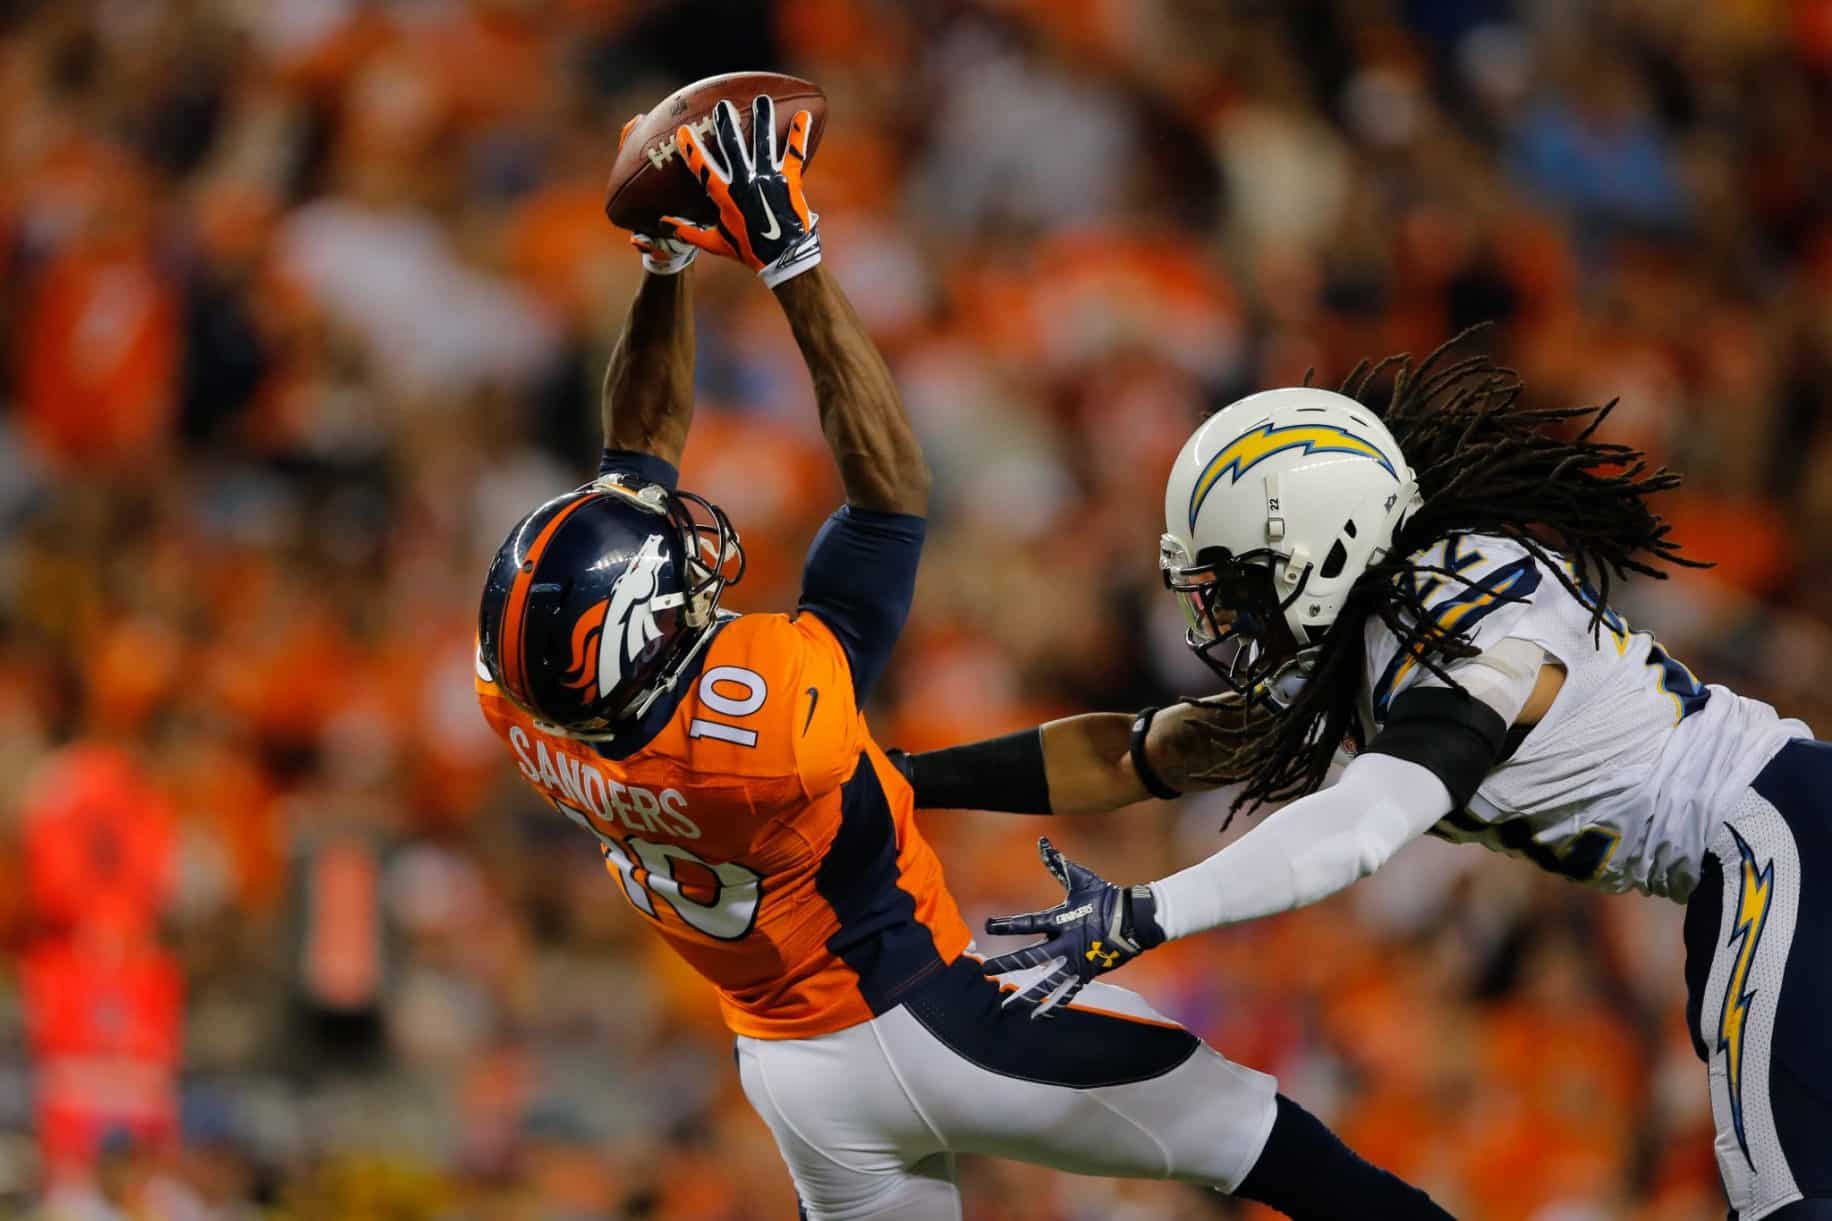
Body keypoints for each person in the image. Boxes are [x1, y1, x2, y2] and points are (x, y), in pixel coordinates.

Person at [473, 96, 1452, 1220]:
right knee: (1268, 1141)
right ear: (645, 630)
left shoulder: (524, 701)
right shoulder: (765, 723)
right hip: (928, 1028)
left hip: (794, 1077)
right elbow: (886, 498)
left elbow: (632, 457)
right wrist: (792, 261)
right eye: (678, 579)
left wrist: (662, 261)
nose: (697, 565)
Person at [897, 346, 1832, 1221]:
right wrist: (896, 779)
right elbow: (1141, 754)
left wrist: (1149, 912)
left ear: (1327, 544)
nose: (1226, 614)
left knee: (1786, 1190)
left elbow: (1368, 819)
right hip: (1764, 841)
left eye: (1243, 582)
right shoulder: (1366, 634)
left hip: (1777, 833)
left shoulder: (1470, 615)